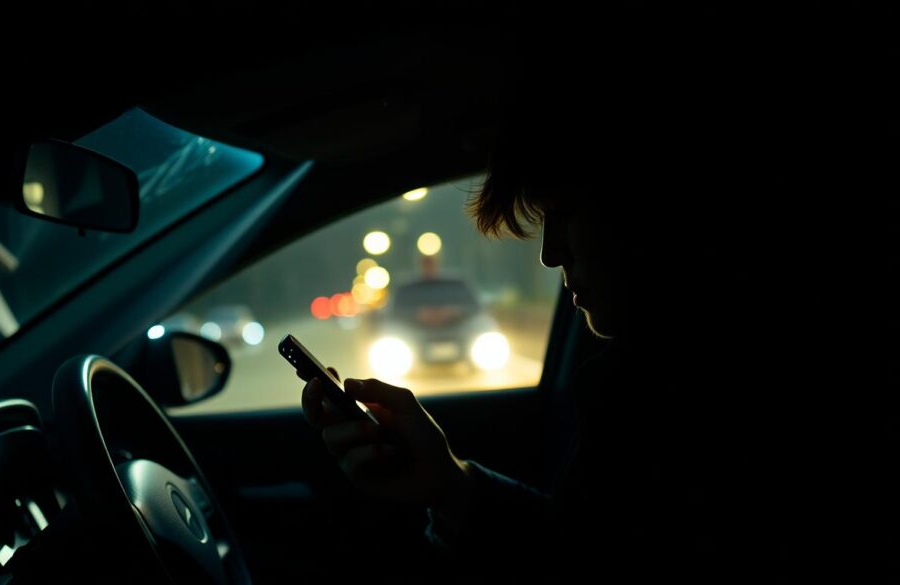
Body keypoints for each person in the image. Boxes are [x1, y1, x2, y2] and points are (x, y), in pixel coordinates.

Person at [301, 27, 895, 584]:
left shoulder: (669, 399)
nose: (551, 255)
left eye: (565, 214)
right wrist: (448, 482)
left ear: (653, 209)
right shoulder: (654, 384)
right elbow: (578, 547)